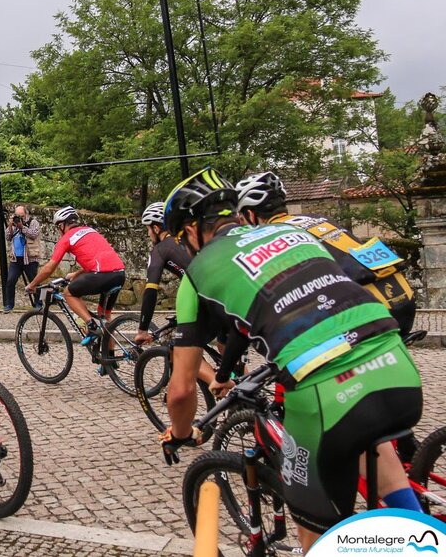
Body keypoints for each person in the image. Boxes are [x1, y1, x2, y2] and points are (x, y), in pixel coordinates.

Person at [160, 168, 423, 552]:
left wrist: (182, 433)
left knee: (314, 531)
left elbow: (182, 390)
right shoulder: (292, 231)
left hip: (327, 393)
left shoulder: (196, 275)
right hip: (395, 364)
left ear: (191, 230)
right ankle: (423, 532)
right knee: (374, 445)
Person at [235, 171, 417, 336]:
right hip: (404, 301)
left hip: (368, 314)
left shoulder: (273, 237)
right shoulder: (317, 219)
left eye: (242, 220)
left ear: (251, 215)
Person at [25, 206, 125, 356]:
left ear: (62, 225)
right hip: (119, 274)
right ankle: (109, 358)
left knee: (69, 293)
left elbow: (50, 267)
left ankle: (91, 326)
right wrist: (76, 274)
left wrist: (32, 285)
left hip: (102, 275)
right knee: (105, 317)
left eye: (58, 227)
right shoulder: (91, 231)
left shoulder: (67, 238)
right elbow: (96, 259)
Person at [133, 202, 190, 345]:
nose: (148, 234)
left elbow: (151, 290)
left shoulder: (160, 250)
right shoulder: (189, 238)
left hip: (201, 296)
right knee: (224, 348)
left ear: (156, 228)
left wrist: (143, 330)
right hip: (224, 294)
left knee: (177, 348)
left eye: (148, 229)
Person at [3, 206, 43, 313]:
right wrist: (11, 225)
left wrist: (22, 227)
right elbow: (7, 237)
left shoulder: (33, 222)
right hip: (16, 259)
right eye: (17, 216)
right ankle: (9, 305)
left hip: (30, 258)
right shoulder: (14, 223)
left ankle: (39, 304)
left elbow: (34, 234)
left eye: (21, 216)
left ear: (26, 214)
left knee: (34, 281)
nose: (19, 218)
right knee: (10, 281)